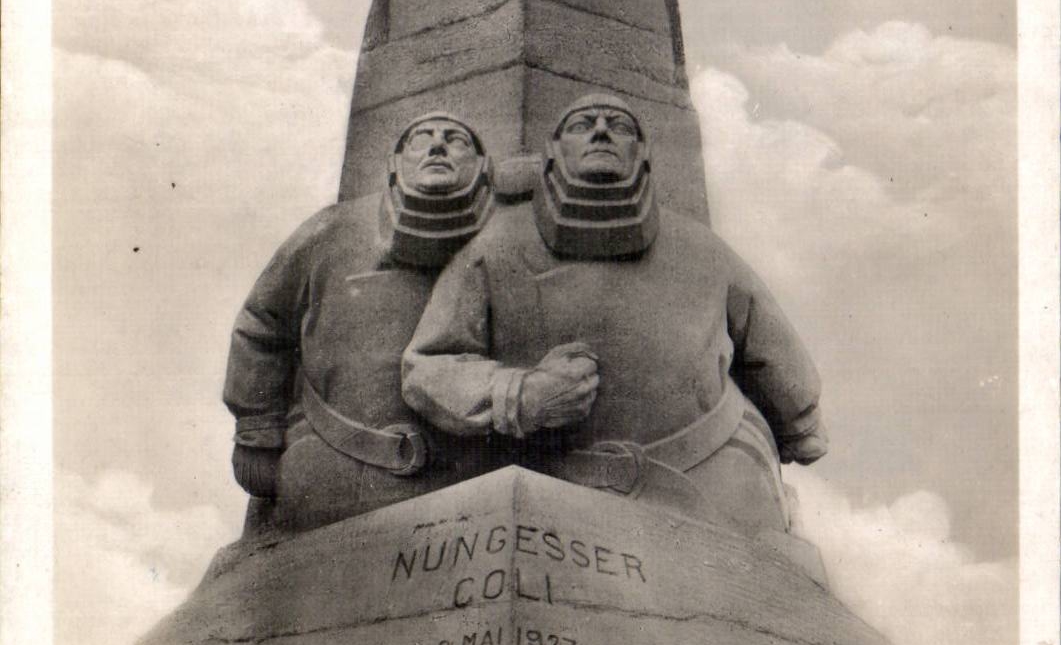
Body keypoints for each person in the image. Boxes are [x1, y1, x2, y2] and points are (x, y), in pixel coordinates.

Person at [401, 96, 826, 534]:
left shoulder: (702, 250)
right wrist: (518, 395)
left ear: (643, 154)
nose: (601, 131)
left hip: (714, 476)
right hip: (558, 502)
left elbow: (773, 348)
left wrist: (801, 421)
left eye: (619, 126)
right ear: (552, 152)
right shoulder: (497, 247)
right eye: (583, 124)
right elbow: (428, 365)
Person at [223, 114, 498, 533]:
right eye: (422, 138)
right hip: (326, 471)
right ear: (394, 162)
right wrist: (256, 431)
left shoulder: (501, 239)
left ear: (481, 165)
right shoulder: (330, 230)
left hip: (463, 492)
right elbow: (262, 323)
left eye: (456, 140)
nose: (438, 146)